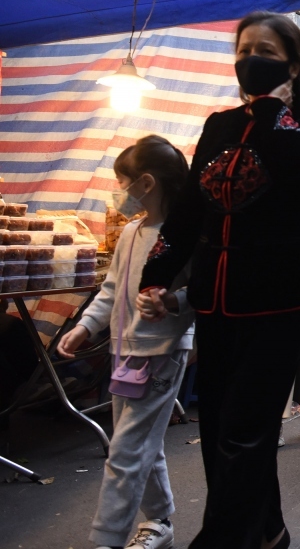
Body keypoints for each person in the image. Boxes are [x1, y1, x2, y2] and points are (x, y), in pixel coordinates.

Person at [140, 12, 300, 549]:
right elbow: (188, 212)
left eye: (267, 51)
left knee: (245, 432)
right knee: (222, 435)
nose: (250, 58)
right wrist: (157, 275)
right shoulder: (217, 125)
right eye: (244, 48)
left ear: (294, 65)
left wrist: (274, 104)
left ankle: (220, 540)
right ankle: (269, 532)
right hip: (216, 301)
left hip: (277, 301)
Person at [58, 136, 193, 549]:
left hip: (162, 354)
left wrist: (172, 301)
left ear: (146, 183)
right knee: (139, 442)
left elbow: (200, 292)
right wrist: (87, 327)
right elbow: (112, 288)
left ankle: (107, 539)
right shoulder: (133, 231)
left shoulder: (184, 235)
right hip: (125, 352)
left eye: (123, 183)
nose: (120, 193)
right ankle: (159, 522)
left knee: (126, 449)